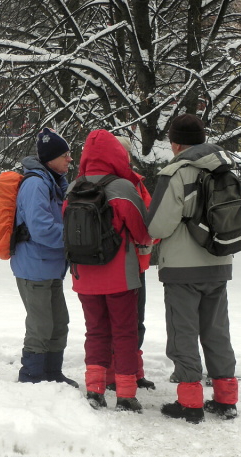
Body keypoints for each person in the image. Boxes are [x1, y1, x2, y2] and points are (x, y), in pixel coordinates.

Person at [147, 114, 239, 423]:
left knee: (183, 333)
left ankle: (190, 403)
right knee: (217, 332)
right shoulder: (224, 167)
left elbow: (158, 223)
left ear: (175, 143)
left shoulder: (176, 173)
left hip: (182, 269)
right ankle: (226, 400)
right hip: (219, 262)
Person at [71, 130, 151, 412]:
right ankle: (126, 394)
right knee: (124, 332)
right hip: (120, 276)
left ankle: (94, 389)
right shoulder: (123, 188)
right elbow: (143, 232)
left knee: (95, 332)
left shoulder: (73, 187)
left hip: (84, 276)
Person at [11, 127, 78, 388]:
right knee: (40, 327)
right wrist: (74, 238)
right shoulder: (36, 184)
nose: (69, 159)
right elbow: (41, 229)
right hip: (34, 266)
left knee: (59, 323)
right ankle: (31, 377)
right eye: (65, 155)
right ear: (50, 158)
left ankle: (52, 373)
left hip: (50, 265)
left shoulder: (51, 181)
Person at [101, 136, 156, 391]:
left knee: (136, 321)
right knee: (120, 324)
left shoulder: (135, 182)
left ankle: (133, 370)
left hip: (137, 263)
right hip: (123, 263)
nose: (127, 158)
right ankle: (116, 374)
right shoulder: (118, 185)